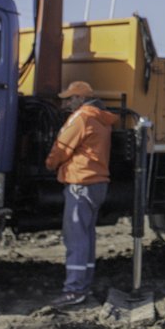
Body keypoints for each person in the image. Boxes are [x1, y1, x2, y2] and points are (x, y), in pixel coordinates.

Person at [45, 80, 118, 308]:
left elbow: (62, 148)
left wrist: (49, 164)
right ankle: (83, 284)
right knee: (86, 236)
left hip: (80, 183)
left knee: (75, 238)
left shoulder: (81, 118)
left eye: (70, 98)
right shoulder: (101, 118)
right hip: (96, 184)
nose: (66, 102)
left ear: (80, 98)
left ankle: (74, 290)